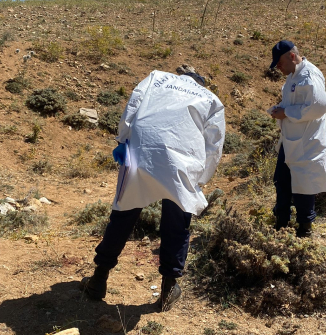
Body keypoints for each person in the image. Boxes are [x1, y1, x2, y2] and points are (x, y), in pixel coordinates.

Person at [80, 68, 225, 311]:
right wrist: (200, 179)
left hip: (142, 148)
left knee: (124, 213)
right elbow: (214, 144)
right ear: (200, 82)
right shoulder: (211, 99)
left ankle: (98, 279)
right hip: (183, 158)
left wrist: (123, 139)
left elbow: (134, 105)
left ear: (182, 76)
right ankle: (168, 289)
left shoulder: (158, 77)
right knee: (178, 221)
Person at [267, 40, 326, 238]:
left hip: (306, 142)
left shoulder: (309, 75)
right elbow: (294, 103)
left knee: (303, 185)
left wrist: (286, 112)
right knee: (282, 180)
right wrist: (281, 109)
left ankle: (304, 229)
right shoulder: (293, 76)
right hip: (290, 140)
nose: (278, 67)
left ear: (292, 56)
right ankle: (281, 224)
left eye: (279, 62)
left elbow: (319, 106)